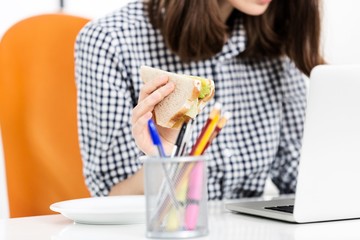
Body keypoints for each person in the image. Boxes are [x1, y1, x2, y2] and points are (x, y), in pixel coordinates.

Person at [75, 0, 324, 199]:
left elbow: (298, 175)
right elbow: (109, 195)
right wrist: (167, 161)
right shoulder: (111, 40)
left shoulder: (273, 36)